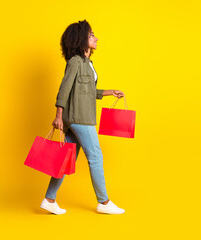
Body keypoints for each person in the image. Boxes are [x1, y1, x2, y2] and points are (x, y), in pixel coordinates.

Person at [40, 20, 125, 215]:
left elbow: (88, 91)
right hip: (79, 118)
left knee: (66, 158)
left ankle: (49, 199)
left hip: (82, 116)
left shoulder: (88, 64)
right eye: (91, 35)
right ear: (81, 39)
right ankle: (104, 202)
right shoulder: (75, 62)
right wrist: (58, 116)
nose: (95, 38)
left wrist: (109, 92)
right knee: (95, 156)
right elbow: (64, 89)